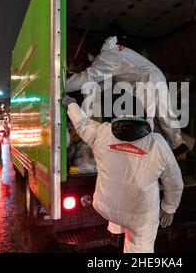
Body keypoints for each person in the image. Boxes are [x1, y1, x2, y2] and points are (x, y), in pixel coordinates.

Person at [61, 95, 184, 253]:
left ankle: (116, 228)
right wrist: (169, 208)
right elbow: (175, 182)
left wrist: (71, 104)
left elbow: (82, 124)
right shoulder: (156, 143)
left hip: (107, 209)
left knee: (118, 187)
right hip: (140, 217)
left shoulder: (102, 133)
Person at [66, 27, 187, 155]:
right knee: (164, 113)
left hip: (146, 82)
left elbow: (88, 77)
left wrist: (63, 87)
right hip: (156, 76)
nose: (92, 61)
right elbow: (102, 82)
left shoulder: (107, 58)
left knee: (145, 120)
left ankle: (148, 153)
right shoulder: (115, 51)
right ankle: (176, 143)